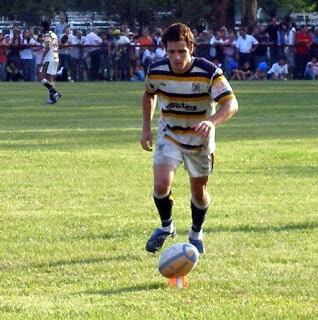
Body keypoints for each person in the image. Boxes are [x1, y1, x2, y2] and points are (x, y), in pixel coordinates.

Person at [140, 23, 238, 254]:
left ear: (191, 48)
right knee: (161, 183)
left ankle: (196, 231)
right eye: (171, 51)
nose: (176, 57)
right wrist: (146, 128)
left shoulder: (209, 72)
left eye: (181, 51)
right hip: (170, 133)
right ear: (165, 50)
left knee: (199, 193)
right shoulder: (156, 70)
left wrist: (211, 121)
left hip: (200, 140)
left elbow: (231, 103)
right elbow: (149, 94)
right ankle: (167, 227)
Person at [38, 21, 61, 104]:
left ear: (43, 27)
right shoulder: (54, 34)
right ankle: (52, 99)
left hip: (49, 58)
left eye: (40, 26)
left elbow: (48, 45)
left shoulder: (47, 35)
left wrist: (43, 57)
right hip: (55, 57)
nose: (39, 28)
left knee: (40, 77)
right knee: (49, 79)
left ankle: (55, 92)